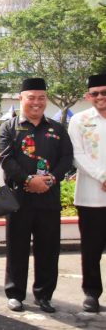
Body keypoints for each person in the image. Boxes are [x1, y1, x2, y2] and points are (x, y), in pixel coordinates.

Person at [0, 77, 73, 313]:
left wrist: (50, 179)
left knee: (48, 249)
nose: (36, 102)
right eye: (31, 97)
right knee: (17, 248)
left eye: (41, 98)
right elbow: (6, 159)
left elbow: (66, 158)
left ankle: (44, 295)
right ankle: (15, 294)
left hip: (48, 198)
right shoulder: (9, 127)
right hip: (19, 198)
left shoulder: (57, 128)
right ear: (21, 98)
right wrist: (29, 180)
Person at [68, 73, 106, 312]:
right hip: (90, 196)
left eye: (104, 92)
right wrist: (103, 176)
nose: (100, 97)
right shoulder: (79, 120)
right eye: (95, 93)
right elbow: (77, 154)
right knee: (91, 249)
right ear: (88, 96)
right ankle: (91, 293)